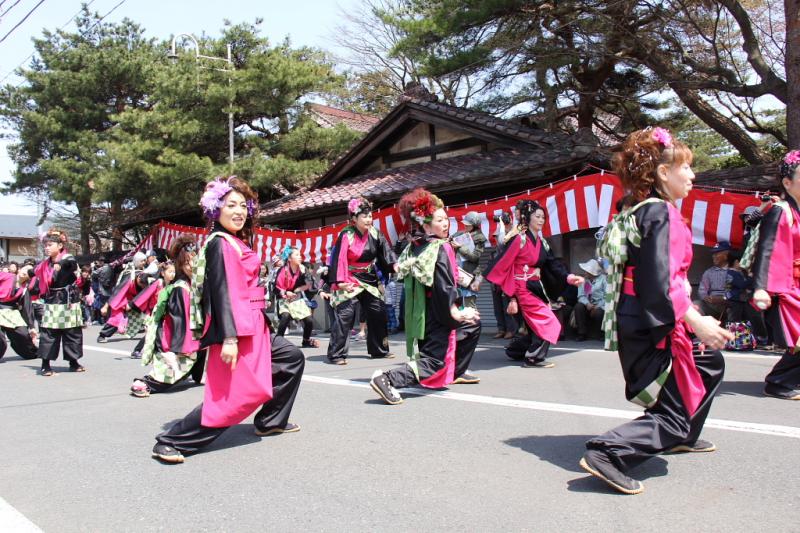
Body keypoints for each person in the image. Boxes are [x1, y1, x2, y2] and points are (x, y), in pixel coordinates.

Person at [582, 127, 731, 495]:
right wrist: (696, 321)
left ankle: (680, 432)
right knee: (674, 406)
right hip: (653, 318)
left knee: (709, 364)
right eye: (686, 168)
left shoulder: (642, 210)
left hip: (643, 313)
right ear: (663, 173)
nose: (692, 176)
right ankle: (608, 452)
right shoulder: (659, 212)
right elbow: (661, 281)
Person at [152, 176, 305, 464]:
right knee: (234, 395)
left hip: (255, 324)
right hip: (240, 329)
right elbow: (223, 292)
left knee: (291, 358)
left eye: (242, 205)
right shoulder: (220, 243)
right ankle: (172, 440)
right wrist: (230, 339)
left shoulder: (234, 240)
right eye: (230, 205)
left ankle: (271, 420)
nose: (239, 211)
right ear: (216, 211)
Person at [370, 189, 481, 405]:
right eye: (439, 220)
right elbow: (444, 284)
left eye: (446, 218)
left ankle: (453, 370)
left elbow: (444, 273)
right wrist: (455, 312)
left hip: (420, 311)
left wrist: (470, 281)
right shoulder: (442, 246)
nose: (446, 223)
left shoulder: (416, 246)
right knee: (433, 361)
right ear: (427, 226)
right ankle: (386, 379)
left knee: (473, 325)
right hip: (438, 310)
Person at [484, 200, 585, 368]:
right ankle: (533, 358)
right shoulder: (519, 239)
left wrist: (568, 277)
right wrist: (511, 297)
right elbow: (504, 264)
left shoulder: (541, 241)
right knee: (547, 321)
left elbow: (552, 264)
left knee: (534, 325)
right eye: (537, 216)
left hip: (536, 287)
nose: (541, 220)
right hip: (521, 288)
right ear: (527, 218)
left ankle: (516, 351)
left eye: (543, 217)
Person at [751, 150, 800, 400]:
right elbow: (767, 249)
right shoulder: (781, 211)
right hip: (787, 285)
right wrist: (760, 287)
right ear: (787, 183)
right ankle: (778, 382)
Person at [131, 235, 206, 398]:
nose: (192, 265)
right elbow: (178, 321)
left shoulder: (191, 284)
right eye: (187, 262)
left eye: (195, 260)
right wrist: (179, 347)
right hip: (179, 338)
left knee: (199, 354)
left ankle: (197, 375)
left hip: (193, 333)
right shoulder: (180, 288)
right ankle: (146, 383)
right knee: (169, 373)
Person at [325, 197, 397, 365]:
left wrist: (395, 265)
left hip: (369, 277)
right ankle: (336, 354)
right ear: (354, 219)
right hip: (348, 277)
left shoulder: (375, 233)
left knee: (378, 311)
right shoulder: (346, 234)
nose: (368, 219)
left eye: (370, 215)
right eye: (364, 216)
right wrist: (340, 281)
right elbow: (339, 258)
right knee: (346, 314)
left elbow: (386, 253)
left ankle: (379, 350)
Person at [36, 229, 86, 376]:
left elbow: (71, 263)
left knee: (72, 332)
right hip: (52, 299)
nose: (46, 248)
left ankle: (73, 362)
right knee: (49, 332)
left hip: (69, 299)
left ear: (59, 246)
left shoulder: (67, 258)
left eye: (50, 245)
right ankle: (45, 364)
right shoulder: (44, 265)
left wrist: (60, 263)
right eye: (45, 245)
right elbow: (35, 273)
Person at [274, 246, 319, 348]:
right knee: (286, 316)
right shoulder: (282, 270)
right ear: (289, 258)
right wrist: (286, 292)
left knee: (309, 320)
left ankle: (306, 340)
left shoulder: (303, 269)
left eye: (300, 255)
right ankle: (277, 342)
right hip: (284, 299)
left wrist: (305, 274)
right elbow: (275, 288)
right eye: (297, 255)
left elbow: (311, 286)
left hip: (297, 299)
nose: (300, 257)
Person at [97, 252, 147, 343]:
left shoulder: (144, 272)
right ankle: (102, 335)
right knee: (116, 319)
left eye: (145, 261)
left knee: (146, 315)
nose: (144, 262)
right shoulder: (129, 274)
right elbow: (119, 289)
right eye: (142, 261)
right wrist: (106, 305)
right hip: (122, 299)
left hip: (136, 299)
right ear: (137, 261)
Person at [0, 266, 38, 360]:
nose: (25, 272)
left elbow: (27, 308)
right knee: (1, 339)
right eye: (24, 269)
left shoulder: (25, 289)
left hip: (11, 311)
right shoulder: (7, 276)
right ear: (19, 269)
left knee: (23, 334)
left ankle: (31, 353)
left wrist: (32, 327)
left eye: (28, 271)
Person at [451, 211, 487, 309]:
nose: (465, 227)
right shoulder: (461, 234)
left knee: (469, 306)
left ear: (474, 226)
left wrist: (460, 247)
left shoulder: (480, 238)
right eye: (465, 225)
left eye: (468, 225)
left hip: (471, 276)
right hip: (459, 274)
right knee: (458, 307)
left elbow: (475, 257)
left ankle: (473, 324)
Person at [572, 258, 606, 341]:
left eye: (587, 271)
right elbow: (581, 296)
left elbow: (607, 296)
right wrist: (587, 304)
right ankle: (581, 333)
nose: (585, 272)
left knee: (599, 313)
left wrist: (597, 306)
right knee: (578, 307)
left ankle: (601, 333)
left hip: (601, 305)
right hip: (588, 304)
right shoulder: (584, 280)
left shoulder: (603, 279)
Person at [698, 242, 731, 320]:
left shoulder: (735, 271)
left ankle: (738, 332)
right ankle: (698, 332)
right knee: (696, 305)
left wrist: (723, 299)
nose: (714, 256)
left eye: (717, 253)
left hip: (730, 306)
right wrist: (706, 297)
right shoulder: (708, 272)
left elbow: (740, 294)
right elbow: (701, 291)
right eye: (713, 254)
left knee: (738, 309)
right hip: (712, 305)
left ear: (726, 255)